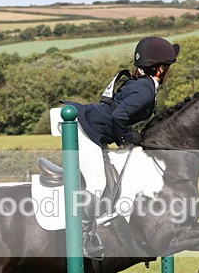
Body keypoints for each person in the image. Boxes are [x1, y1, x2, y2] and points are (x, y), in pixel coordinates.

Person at [63, 36, 180, 258]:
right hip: (85, 128)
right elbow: (119, 115)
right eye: (169, 68)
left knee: (112, 178)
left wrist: (126, 137)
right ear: (160, 69)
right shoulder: (146, 89)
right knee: (98, 182)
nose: (170, 72)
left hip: (94, 129)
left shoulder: (143, 85)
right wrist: (128, 137)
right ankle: (83, 239)